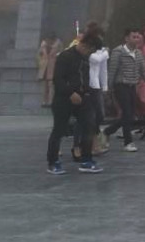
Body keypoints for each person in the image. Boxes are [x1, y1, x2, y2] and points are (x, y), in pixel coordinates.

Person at [46, 28, 103, 174]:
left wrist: (87, 92)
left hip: (82, 98)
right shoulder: (65, 56)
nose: (90, 54)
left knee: (89, 126)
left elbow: (85, 78)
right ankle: (53, 162)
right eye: (90, 50)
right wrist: (70, 93)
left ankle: (86, 160)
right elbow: (58, 79)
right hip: (63, 99)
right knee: (59, 130)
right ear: (85, 45)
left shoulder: (85, 59)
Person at [103, 28, 145, 152]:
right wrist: (108, 88)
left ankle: (107, 131)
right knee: (127, 112)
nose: (136, 39)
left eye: (137, 37)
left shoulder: (138, 53)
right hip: (121, 85)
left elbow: (144, 70)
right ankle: (128, 142)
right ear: (126, 38)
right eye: (133, 37)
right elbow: (112, 70)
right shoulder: (118, 52)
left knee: (130, 115)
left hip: (132, 86)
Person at [72, 23, 108, 160]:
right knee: (83, 117)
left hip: (96, 85)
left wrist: (105, 87)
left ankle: (92, 141)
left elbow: (103, 70)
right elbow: (94, 58)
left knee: (99, 115)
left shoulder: (101, 50)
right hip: (85, 85)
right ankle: (78, 145)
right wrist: (104, 53)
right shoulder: (86, 48)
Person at [37, 31, 61, 107]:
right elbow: (39, 54)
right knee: (45, 86)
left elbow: (61, 53)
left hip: (53, 66)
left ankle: (51, 102)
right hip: (44, 67)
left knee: (51, 85)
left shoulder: (58, 43)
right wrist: (40, 61)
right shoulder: (43, 44)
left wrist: (57, 58)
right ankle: (44, 101)